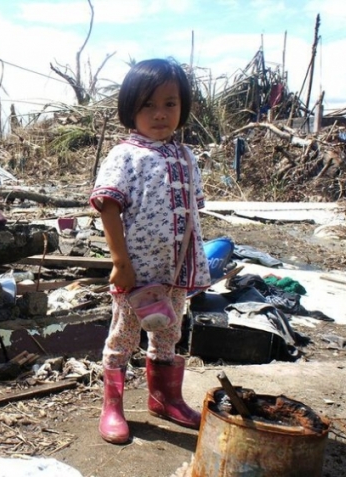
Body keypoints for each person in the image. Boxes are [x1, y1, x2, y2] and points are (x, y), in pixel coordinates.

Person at [89, 58, 211, 444]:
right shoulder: (126, 155)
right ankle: (113, 407)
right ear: (130, 109)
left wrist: (192, 264)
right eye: (148, 105)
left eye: (170, 104)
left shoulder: (186, 157)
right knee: (124, 335)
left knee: (169, 333)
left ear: (182, 107)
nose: (160, 114)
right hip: (138, 272)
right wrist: (120, 263)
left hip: (175, 270)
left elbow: (193, 210)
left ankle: (165, 397)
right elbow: (108, 205)